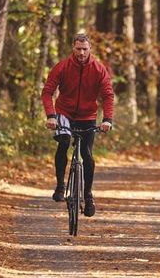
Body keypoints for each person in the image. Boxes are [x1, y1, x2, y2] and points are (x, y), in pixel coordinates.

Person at [41, 34, 114, 217]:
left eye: (85, 49)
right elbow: (47, 92)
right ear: (73, 49)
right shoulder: (62, 67)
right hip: (64, 113)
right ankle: (60, 185)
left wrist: (107, 119)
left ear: (90, 49)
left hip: (87, 116)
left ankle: (88, 195)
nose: (81, 52)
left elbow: (107, 95)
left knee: (87, 155)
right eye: (78, 49)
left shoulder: (99, 69)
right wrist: (51, 116)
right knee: (64, 142)